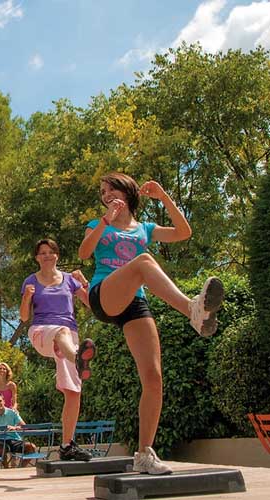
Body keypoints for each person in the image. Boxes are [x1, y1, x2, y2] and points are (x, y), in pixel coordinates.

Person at [78, 172, 224, 475]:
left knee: (154, 377)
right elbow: (83, 253)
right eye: (102, 192)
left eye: (111, 189)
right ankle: (192, 310)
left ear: (127, 191)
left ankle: (144, 453)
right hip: (104, 294)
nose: (106, 195)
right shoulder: (98, 224)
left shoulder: (144, 228)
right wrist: (105, 220)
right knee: (144, 262)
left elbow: (183, 232)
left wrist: (164, 197)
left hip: (134, 304)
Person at [20, 238, 94, 461]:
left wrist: (86, 283)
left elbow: (92, 304)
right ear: (37, 258)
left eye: (50, 251)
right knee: (61, 332)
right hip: (42, 332)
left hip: (69, 336)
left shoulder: (70, 280)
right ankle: (78, 358)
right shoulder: (31, 281)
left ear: (57, 256)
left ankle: (67, 445)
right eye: (42, 252)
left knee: (73, 392)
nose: (46, 255)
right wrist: (27, 297)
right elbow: (24, 316)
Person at [0, 393, 36, 467]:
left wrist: (15, 428)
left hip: (14, 439)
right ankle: (6, 469)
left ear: (4, 401)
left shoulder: (12, 412)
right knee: (0, 448)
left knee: (31, 447)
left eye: (0, 401)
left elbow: (24, 426)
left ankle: (20, 468)